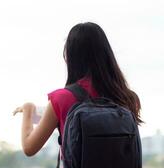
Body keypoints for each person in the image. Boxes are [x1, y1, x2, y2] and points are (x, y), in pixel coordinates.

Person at [13, 22, 142, 157]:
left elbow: (29, 147)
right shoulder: (128, 98)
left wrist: (28, 109)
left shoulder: (61, 99)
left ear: (69, 57)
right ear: (107, 54)